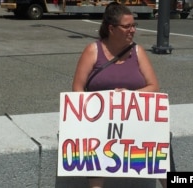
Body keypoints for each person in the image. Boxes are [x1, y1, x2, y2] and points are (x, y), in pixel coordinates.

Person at [72, 2, 168, 188]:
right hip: (100, 124)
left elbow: (153, 86)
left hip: (134, 121)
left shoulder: (137, 51)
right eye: (127, 26)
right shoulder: (93, 50)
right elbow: (77, 88)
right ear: (111, 28)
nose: (132, 30)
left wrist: (130, 95)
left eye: (134, 26)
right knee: (96, 157)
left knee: (161, 147)